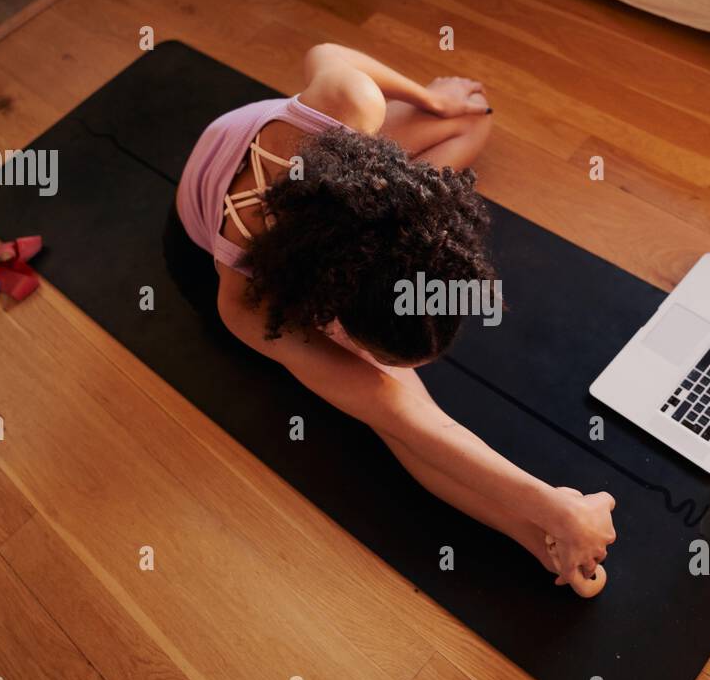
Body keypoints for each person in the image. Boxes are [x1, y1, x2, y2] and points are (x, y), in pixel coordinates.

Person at [165, 43, 615, 594]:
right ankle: (528, 534)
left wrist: (432, 98)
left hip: (321, 203)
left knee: (469, 118)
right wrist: (548, 508)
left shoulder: (348, 102)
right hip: (202, 253)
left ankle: (541, 525)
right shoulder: (248, 304)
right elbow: (403, 419)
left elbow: (323, 51)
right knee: (394, 405)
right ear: (329, 309)